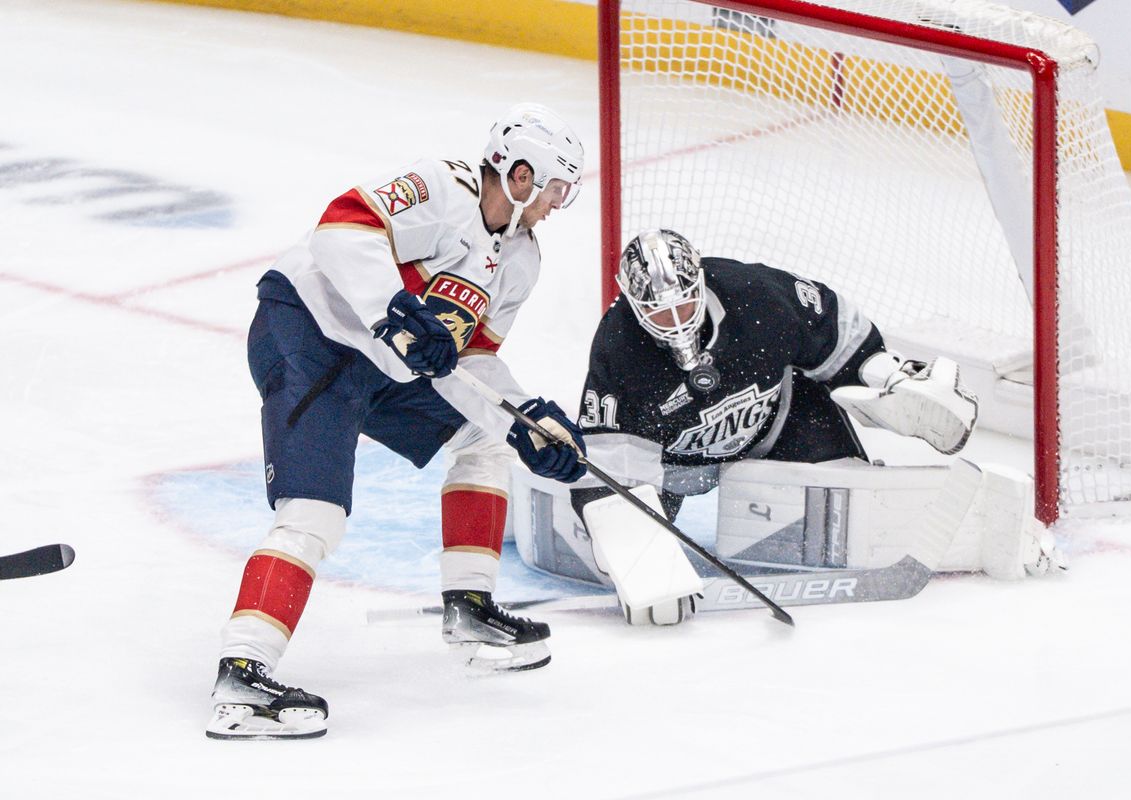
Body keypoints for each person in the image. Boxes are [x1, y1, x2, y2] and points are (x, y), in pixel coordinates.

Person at [207, 103, 589, 740]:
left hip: (385, 370)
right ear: (521, 175)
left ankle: (469, 610)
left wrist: (521, 420)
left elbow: (471, 361)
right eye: (555, 188)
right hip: (309, 336)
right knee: (315, 514)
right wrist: (394, 309)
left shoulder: (521, 260)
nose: (558, 204)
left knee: (486, 440)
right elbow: (340, 226)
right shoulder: (442, 187)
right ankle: (241, 677)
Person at [566, 229, 1063, 625]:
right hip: (672, 467)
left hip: (777, 426)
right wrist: (637, 552)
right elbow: (610, 472)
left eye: (683, 304)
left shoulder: (755, 295)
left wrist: (885, 376)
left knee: (855, 505)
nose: (676, 322)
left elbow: (837, 333)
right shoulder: (618, 348)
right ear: (633, 304)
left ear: (701, 280)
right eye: (659, 312)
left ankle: (991, 527)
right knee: (618, 544)